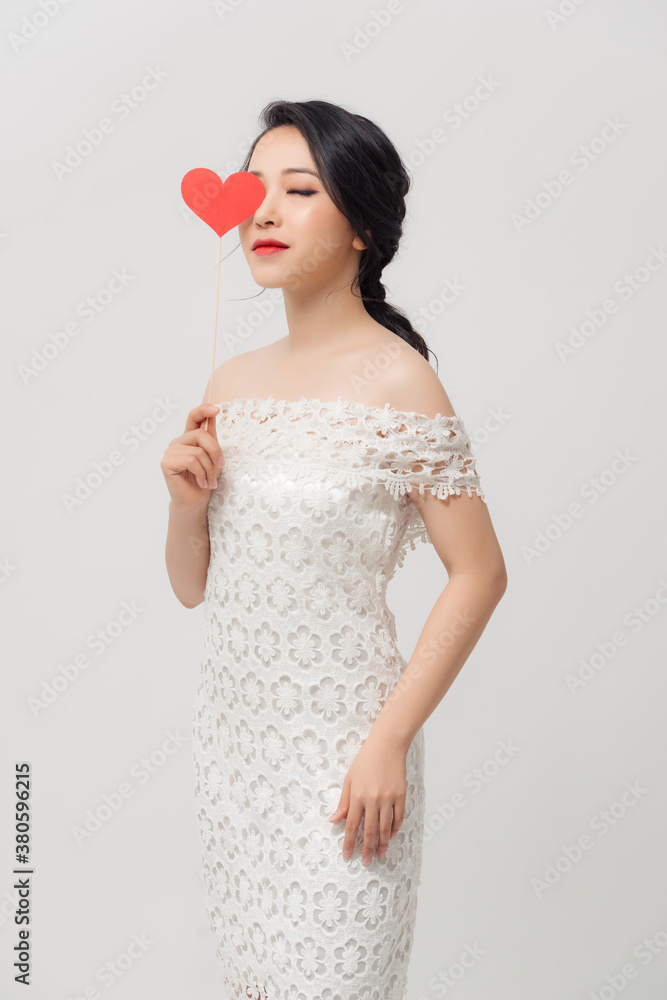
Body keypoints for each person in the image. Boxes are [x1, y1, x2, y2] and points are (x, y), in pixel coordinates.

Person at [162, 99, 507, 1000]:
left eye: (299, 189)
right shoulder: (229, 383)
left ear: (359, 223)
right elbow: (195, 587)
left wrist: (388, 740)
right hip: (237, 752)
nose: (263, 211)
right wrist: (184, 504)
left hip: (346, 758)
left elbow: (480, 573)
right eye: (254, 190)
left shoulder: (401, 380)